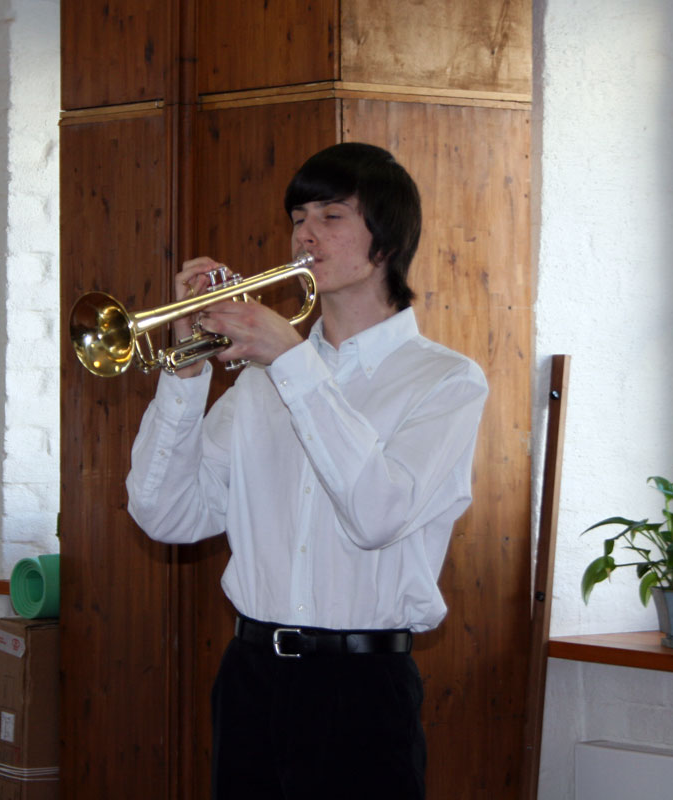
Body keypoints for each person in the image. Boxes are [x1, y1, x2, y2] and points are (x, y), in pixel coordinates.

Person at [126, 142, 488, 800]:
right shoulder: (260, 382)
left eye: (331, 215)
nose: (304, 235)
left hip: (362, 687)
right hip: (251, 679)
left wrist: (292, 362)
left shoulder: (446, 381)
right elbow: (167, 515)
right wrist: (185, 371)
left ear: (387, 240)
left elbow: (376, 515)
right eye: (298, 217)